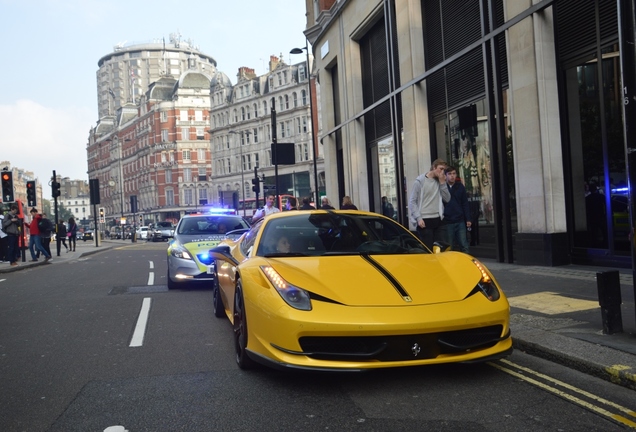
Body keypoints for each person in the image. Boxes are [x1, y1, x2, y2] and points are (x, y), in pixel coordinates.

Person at [408, 158, 451, 250]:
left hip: (439, 218)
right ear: (434, 167)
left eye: (444, 170)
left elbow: (447, 199)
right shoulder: (420, 181)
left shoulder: (441, 181)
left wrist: (442, 183)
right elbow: (412, 201)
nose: (442, 172)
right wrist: (418, 218)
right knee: (427, 249)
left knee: (441, 248)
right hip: (425, 220)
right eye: (441, 169)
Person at [441, 166, 471, 252]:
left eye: (454, 173)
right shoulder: (443, 187)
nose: (452, 176)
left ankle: (466, 264)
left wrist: (468, 219)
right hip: (447, 221)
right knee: (449, 246)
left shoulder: (460, 186)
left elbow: (465, 203)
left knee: (464, 245)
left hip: (459, 220)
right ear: (445, 175)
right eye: (449, 174)